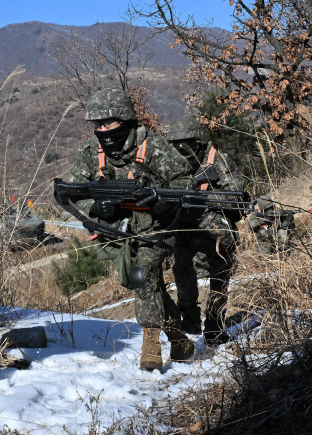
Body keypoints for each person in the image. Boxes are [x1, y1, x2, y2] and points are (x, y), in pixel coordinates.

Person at [65, 88, 194, 371]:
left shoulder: (154, 147)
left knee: (143, 275)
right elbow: (72, 190)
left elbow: (186, 184)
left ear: (125, 119)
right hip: (121, 232)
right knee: (149, 284)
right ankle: (178, 337)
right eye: (96, 125)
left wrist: (159, 201)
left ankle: (150, 344)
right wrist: (95, 208)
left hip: (159, 227)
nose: (101, 130)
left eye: (107, 124)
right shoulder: (91, 152)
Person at [165, 119, 244, 346]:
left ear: (197, 142)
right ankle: (189, 317)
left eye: (185, 144)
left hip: (218, 230)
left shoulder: (217, 160)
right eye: (175, 144)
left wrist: (206, 196)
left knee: (219, 279)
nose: (180, 149)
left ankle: (215, 327)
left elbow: (236, 195)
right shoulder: (170, 163)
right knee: (181, 267)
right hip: (185, 227)